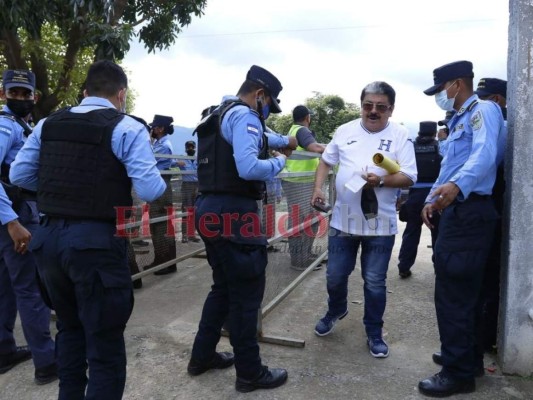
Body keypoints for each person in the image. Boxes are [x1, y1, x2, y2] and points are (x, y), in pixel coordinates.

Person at [9, 60, 166, 400]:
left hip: (48, 240)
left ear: (84, 93)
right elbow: (152, 190)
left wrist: (59, 192)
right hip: (94, 242)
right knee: (105, 344)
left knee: (69, 331)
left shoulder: (48, 124)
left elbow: (20, 175)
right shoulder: (127, 127)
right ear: (120, 94)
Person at [188, 65, 297, 393]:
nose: (266, 112)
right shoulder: (247, 116)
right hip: (235, 215)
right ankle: (250, 373)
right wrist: (281, 161)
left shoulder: (217, 114)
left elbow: (265, 137)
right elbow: (249, 168)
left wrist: (292, 140)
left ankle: (201, 356)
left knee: (222, 288)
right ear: (260, 95)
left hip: (207, 209)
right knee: (247, 296)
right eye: (268, 104)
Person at [418, 61, 505, 397]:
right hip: (458, 213)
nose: (439, 96)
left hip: (469, 212)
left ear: (456, 84)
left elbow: (485, 154)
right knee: (462, 293)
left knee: (454, 296)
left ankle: (456, 374)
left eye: (440, 90)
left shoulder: (482, 110)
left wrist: (456, 186)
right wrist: (430, 197)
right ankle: (466, 359)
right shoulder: (458, 120)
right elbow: (449, 166)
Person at [312, 81, 417, 359]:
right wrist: (317, 188)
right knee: (335, 275)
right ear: (361, 106)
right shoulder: (345, 130)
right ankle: (337, 309)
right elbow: (326, 161)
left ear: (390, 110)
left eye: (380, 107)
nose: (373, 111)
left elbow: (409, 176)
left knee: (374, 281)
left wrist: (381, 181)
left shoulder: (400, 135)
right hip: (342, 221)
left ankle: (373, 330)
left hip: (379, 226)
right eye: (368, 105)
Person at [0, 69, 57, 384]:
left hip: (10, 213)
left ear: (34, 95)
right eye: (14, 93)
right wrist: (12, 222)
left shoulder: (22, 125)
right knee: (30, 288)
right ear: (3, 93)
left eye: (25, 94)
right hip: (15, 215)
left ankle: (4, 350)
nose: (20, 99)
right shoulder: (6, 126)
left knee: (6, 286)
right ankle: (46, 362)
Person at [474, 77, 507, 354]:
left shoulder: (503, 128)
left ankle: (484, 340)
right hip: (493, 211)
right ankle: (478, 341)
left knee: (487, 280)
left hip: (495, 212)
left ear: (496, 100)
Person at [281, 105, 326, 270]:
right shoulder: (302, 131)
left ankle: (304, 254)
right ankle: (299, 259)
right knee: (302, 221)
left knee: (308, 219)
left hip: (298, 181)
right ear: (308, 117)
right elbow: (314, 148)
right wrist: (333, 150)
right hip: (301, 182)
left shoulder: (294, 130)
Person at [397, 121, 442, 278]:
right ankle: (439, 268)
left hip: (414, 194)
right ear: (434, 133)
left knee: (411, 231)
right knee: (437, 232)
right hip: (435, 195)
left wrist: (398, 196)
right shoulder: (439, 146)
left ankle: (404, 266)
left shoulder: (411, 147)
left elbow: (400, 169)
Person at [149, 114, 178, 275]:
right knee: (157, 225)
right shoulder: (160, 143)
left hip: (161, 188)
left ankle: (166, 263)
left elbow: (148, 159)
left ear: (160, 129)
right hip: (159, 187)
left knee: (161, 225)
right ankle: (160, 260)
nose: (152, 130)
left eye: (154, 127)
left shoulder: (163, 145)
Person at [177, 140, 200, 243]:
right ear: (186, 149)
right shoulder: (182, 159)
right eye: (189, 147)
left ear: (195, 148)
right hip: (186, 185)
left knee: (195, 211)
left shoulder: (198, 159)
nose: (190, 149)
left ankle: (192, 234)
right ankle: (184, 235)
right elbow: (171, 163)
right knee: (186, 211)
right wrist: (177, 162)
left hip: (197, 186)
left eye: (192, 147)